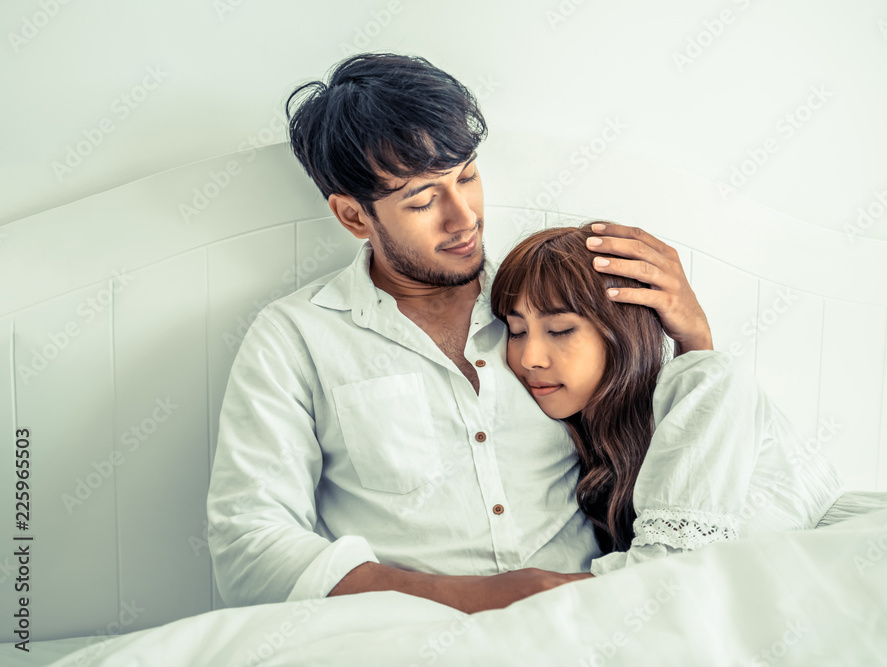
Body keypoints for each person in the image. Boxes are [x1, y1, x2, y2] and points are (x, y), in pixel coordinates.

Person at [206, 53, 715, 613]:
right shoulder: (295, 337)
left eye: (467, 176)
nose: (463, 216)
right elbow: (249, 547)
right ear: (353, 217)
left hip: (589, 622)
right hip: (407, 638)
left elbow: (675, 462)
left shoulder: (558, 303)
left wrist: (695, 342)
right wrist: (475, 598)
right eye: (423, 200)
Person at [490, 223, 849, 573]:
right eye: (517, 331)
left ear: (622, 333)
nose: (529, 358)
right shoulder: (589, 447)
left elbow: (669, 573)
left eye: (560, 329)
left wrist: (488, 589)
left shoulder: (712, 382)